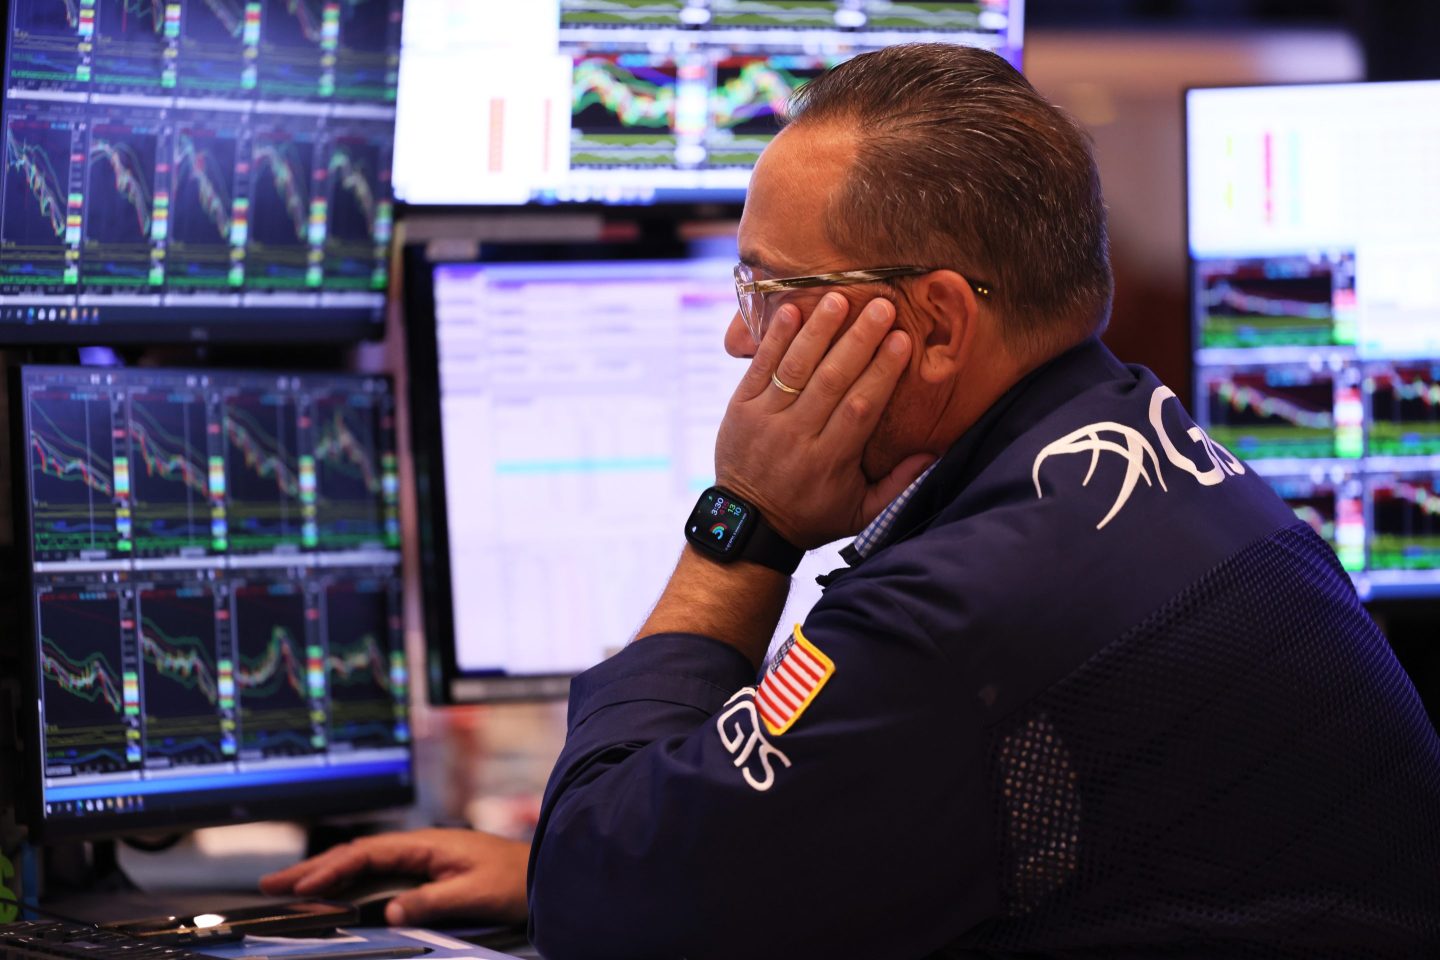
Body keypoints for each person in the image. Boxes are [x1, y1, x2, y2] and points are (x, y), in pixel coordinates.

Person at [263, 44, 1440, 958]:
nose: (739, 336)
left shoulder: (977, 598)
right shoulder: (1136, 452)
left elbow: (619, 916)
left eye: (771, 289)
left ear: (932, 323)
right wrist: (585, 864)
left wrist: (744, 526)